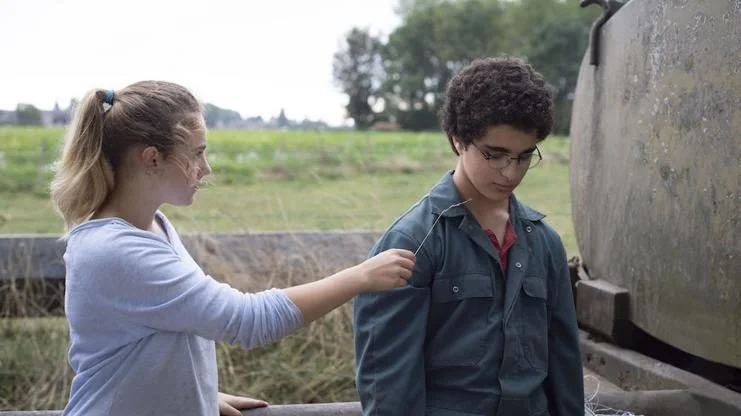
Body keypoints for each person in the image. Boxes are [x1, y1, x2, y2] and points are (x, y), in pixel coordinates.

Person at [49, 80, 416, 416]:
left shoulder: (154, 226)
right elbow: (247, 321)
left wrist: (198, 393)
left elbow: (155, 337)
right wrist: (360, 277)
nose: (206, 168)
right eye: (196, 153)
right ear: (152, 158)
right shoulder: (115, 251)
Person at [352, 56, 583, 416]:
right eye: (495, 155)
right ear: (458, 140)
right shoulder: (414, 242)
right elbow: (389, 389)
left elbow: (565, 368)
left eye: (524, 156)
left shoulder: (545, 243)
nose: (510, 172)